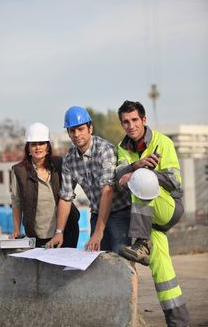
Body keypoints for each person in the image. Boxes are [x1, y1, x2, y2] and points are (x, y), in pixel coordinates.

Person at [116, 101, 189, 327]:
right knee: (163, 271)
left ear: (144, 119)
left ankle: (141, 243)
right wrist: (135, 166)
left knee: (141, 178)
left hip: (168, 207)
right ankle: (179, 321)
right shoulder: (122, 147)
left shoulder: (163, 142)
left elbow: (176, 183)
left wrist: (146, 173)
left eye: (135, 120)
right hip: (148, 220)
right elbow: (119, 175)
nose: (131, 125)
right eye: (126, 122)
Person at [46, 106, 131, 253]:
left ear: (90, 128)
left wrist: (98, 233)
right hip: (97, 213)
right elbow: (66, 198)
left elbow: (108, 190)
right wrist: (59, 232)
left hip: (120, 213)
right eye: (72, 131)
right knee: (97, 263)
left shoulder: (104, 150)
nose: (77, 134)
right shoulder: (69, 159)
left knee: (123, 263)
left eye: (80, 129)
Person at [10, 122, 80, 248]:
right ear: (28, 149)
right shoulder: (19, 171)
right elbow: (17, 202)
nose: (38, 148)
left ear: (48, 147)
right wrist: (16, 230)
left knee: (64, 266)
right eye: (33, 144)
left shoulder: (60, 164)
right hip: (37, 235)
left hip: (67, 230)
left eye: (41, 143)